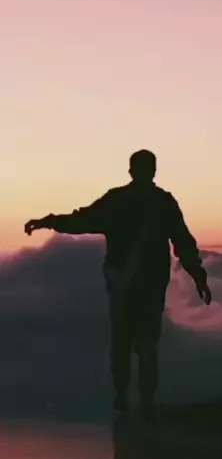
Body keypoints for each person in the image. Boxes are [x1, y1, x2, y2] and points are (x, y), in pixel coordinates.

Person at [24, 149, 212, 418]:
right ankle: (138, 402)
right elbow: (183, 242)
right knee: (140, 344)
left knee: (128, 343)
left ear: (133, 170)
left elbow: (81, 220)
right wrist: (198, 277)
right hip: (141, 283)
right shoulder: (158, 203)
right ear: (151, 171)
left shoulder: (124, 201)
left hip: (129, 284)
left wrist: (47, 222)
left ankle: (129, 400)